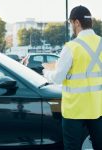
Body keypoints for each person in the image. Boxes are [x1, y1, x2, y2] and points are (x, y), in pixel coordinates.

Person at [42, 5, 102, 150]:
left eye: (70, 23)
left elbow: (57, 78)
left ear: (76, 22)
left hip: (75, 110)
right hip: (97, 108)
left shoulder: (71, 47)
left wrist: (46, 72)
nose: (70, 27)